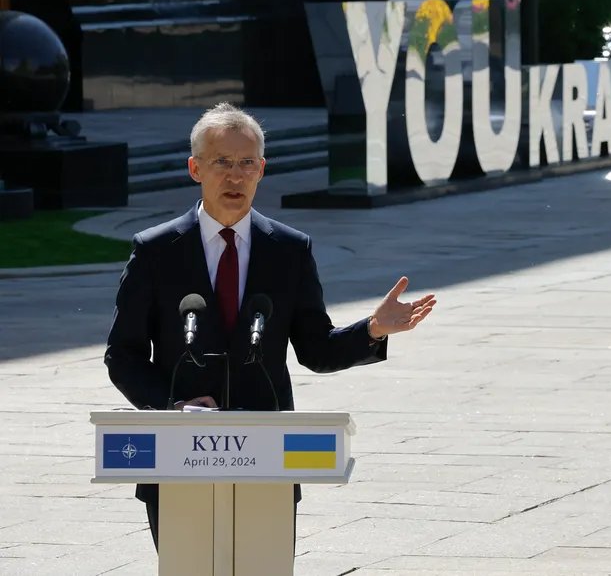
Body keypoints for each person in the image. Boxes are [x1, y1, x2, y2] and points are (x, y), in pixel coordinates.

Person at [104, 102, 437, 549]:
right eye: (222, 162)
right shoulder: (155, 250)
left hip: (265, 460)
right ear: (195, 168)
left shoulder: (289, 250)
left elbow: (316, 350)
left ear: (262, 170)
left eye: (246, 164)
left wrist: (372, 330)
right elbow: (123, 357)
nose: (235, 176)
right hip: (178, 457)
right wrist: (174, 404)